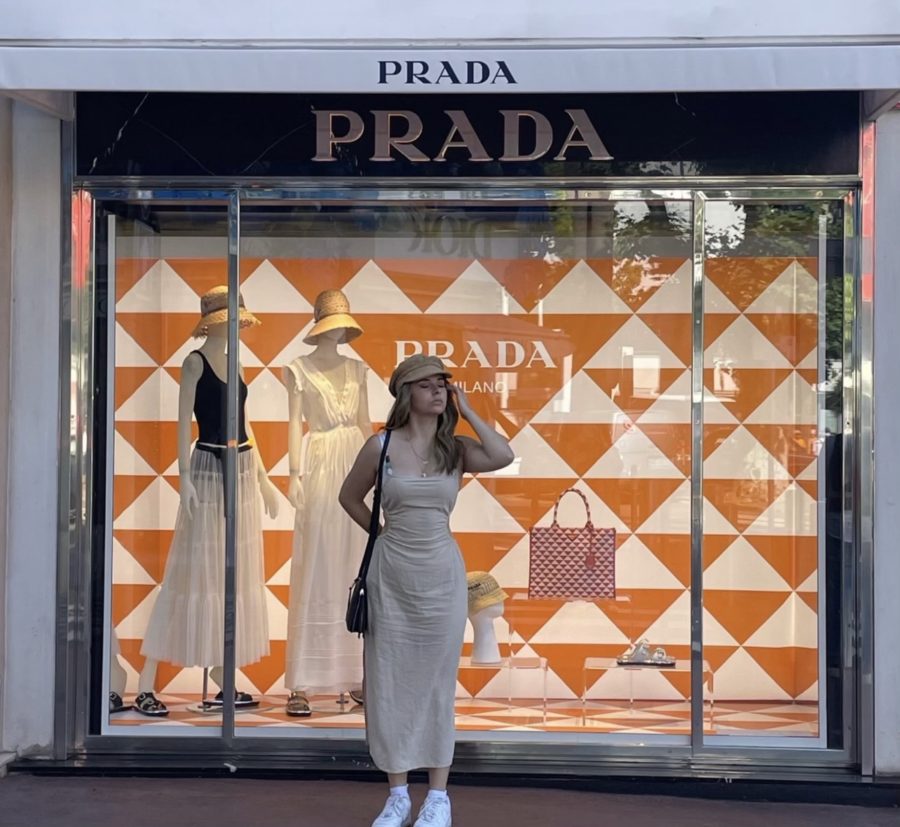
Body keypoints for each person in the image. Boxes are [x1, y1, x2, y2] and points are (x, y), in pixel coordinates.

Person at [339, 354, 515, 827]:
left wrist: (470, 409)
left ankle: (438, 797)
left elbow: (503, 455)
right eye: (427, 385)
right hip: (391, 575)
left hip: (441, 575)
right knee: (388, 682)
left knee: (438, 685)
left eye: (443, 385)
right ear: (405, 394)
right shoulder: (380, 446)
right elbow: (348, 497)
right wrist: (383, 534)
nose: (438, 391)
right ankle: (397, 795)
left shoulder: (454, 449)